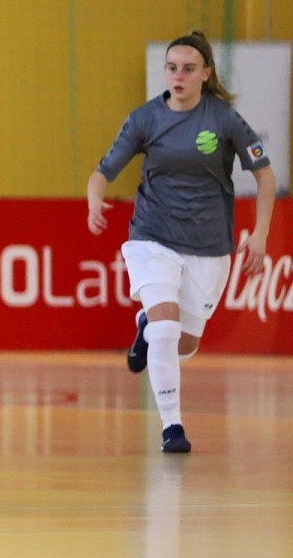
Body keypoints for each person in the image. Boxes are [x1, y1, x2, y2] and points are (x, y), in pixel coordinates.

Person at [87, 30, 274, 453]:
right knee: (167, 328)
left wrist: (260, 233)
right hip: (153, 236)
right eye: (172, 68)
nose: (178, 76)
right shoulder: (145, 119)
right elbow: (102, 172)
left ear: (206, 74)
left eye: (188, 69)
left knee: (183, 343)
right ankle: (172, 427)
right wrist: (95, 200)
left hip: (209, 245)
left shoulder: (224, 120)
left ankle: (146, 326)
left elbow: (265, 176)